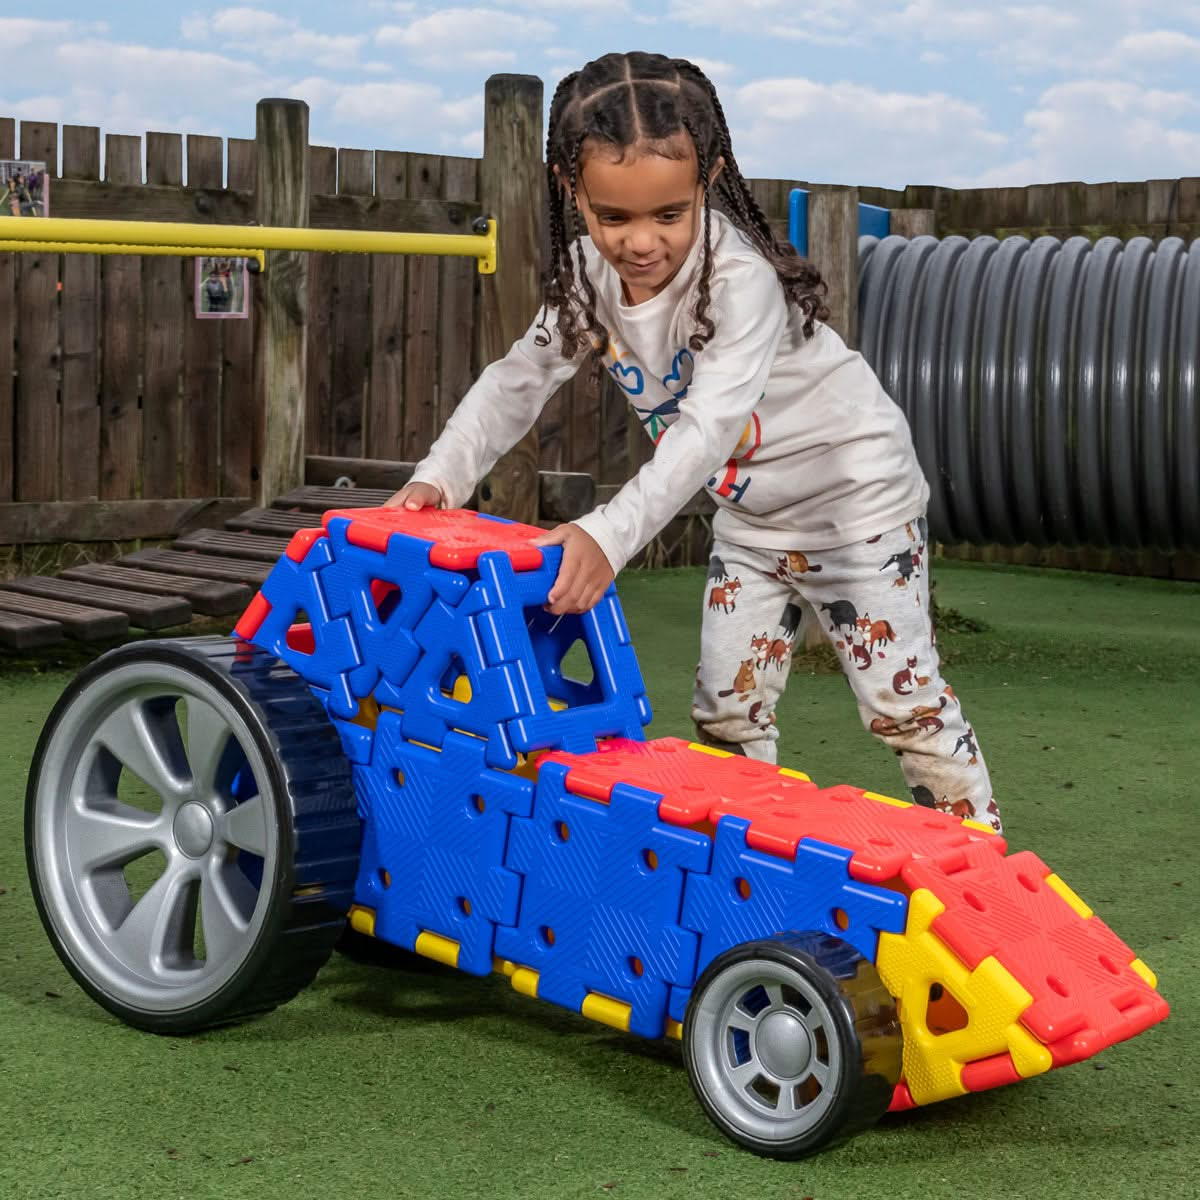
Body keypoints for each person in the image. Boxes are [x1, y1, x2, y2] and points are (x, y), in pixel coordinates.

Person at [386, 52, 1000, 832]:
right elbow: (518, 379)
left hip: (857, 509)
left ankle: (982, 861)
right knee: (726, 711)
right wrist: (440, 477)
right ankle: (738, 868)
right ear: (570, 189)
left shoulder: (741, 282)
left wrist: (607, 535)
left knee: (902, 705)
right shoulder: (585, 279)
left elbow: (708, 428)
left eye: (667, 215)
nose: (641, 242)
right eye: (613, 217)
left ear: (707, 179)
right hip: (752, 524)